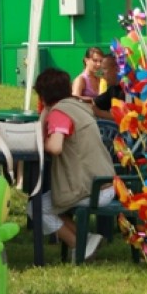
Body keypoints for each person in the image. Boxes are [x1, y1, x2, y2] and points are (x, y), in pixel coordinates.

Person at [32, 68, 116, 261]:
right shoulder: (77, 107)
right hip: (103, 182)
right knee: (46, 205)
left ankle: (79, 246)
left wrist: (44, 121)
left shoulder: (59, 113)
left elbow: (55, 147)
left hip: (90, 188)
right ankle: (86, 239)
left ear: (43, 95)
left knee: (36, 208)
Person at [91, 54, 123, 119]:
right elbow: (96, 102)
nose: (102, 73)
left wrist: (100, 113)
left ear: (116, 69)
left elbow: (125, 117)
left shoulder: (128, 91)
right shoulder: (112, 89)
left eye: (104, 69)